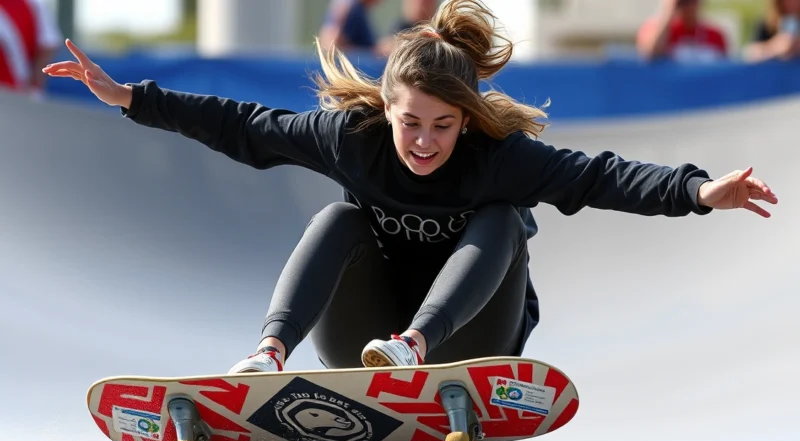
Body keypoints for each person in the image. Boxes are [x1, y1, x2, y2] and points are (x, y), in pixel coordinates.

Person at [43, 0, 777, 375]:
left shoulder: (499, 157)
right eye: (410, 123)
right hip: (360, 335)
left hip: (475, 338)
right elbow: (243, 124)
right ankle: (269, 355)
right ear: (385, 110)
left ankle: (416, 345)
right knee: (339, 218)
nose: (424, 142)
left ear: (467, 119)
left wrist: (697, 190)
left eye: (443, 126)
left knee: (500, 218)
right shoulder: (350, 139)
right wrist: (132, 97)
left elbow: (599, 176)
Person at [637, 0, 728, 63]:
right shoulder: (653, 29)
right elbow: (650, 55)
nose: (688, 5)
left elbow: (722, 72)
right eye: (683, 2)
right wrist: (668, 12)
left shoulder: (716, 35)